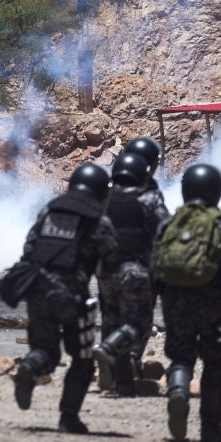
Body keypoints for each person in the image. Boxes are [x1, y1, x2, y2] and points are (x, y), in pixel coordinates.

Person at [152, 163, 221, 442]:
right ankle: (211, 429)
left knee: (181, 356)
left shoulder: (170, 223)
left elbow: (155, 262)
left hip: (175, 299)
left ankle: (177, 390)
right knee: (214, 361)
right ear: (216, 191)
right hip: (215, 300)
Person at [12, 163, 118, 433]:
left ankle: (29, 366)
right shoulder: (97, 219)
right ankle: (68, 417)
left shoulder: (50, 210)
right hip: (72, 295)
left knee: (46, 351)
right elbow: (112, 259)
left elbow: (29, 248)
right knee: (81, 359)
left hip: (37, 291)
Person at [93, 152, 169, 396]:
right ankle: (108, 348)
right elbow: (165, 228)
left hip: (105, 271)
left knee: (113, 321)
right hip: (134, 269)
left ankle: (123, 384)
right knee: (137, 323)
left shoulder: (103, 198)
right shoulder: (147, 198)